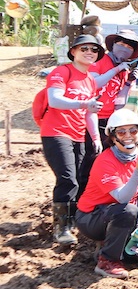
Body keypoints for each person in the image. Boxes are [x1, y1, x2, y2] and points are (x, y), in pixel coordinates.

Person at [75, 110, 138, 278]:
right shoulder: (105, 161)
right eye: (121, 132)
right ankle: (107, 260)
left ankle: (116, 246)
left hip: (120, 215)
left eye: (133, 131)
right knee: (128, 210)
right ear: (112, 136)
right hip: (92, 217)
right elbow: (122, 198)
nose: (128, 136)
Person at [41, 34, 103, 244]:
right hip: (56, 132)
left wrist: (95, 136)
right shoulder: (62, 72)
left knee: (79, 178)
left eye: (94, 50)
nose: (89, 52)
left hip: (78, 133)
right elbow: (55, 100)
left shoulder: (91, 80)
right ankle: (61, 228)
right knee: (67, 178)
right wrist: (84, 104)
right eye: (84, 48)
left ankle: (74, 218)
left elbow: (91, 111)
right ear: (73, 51)